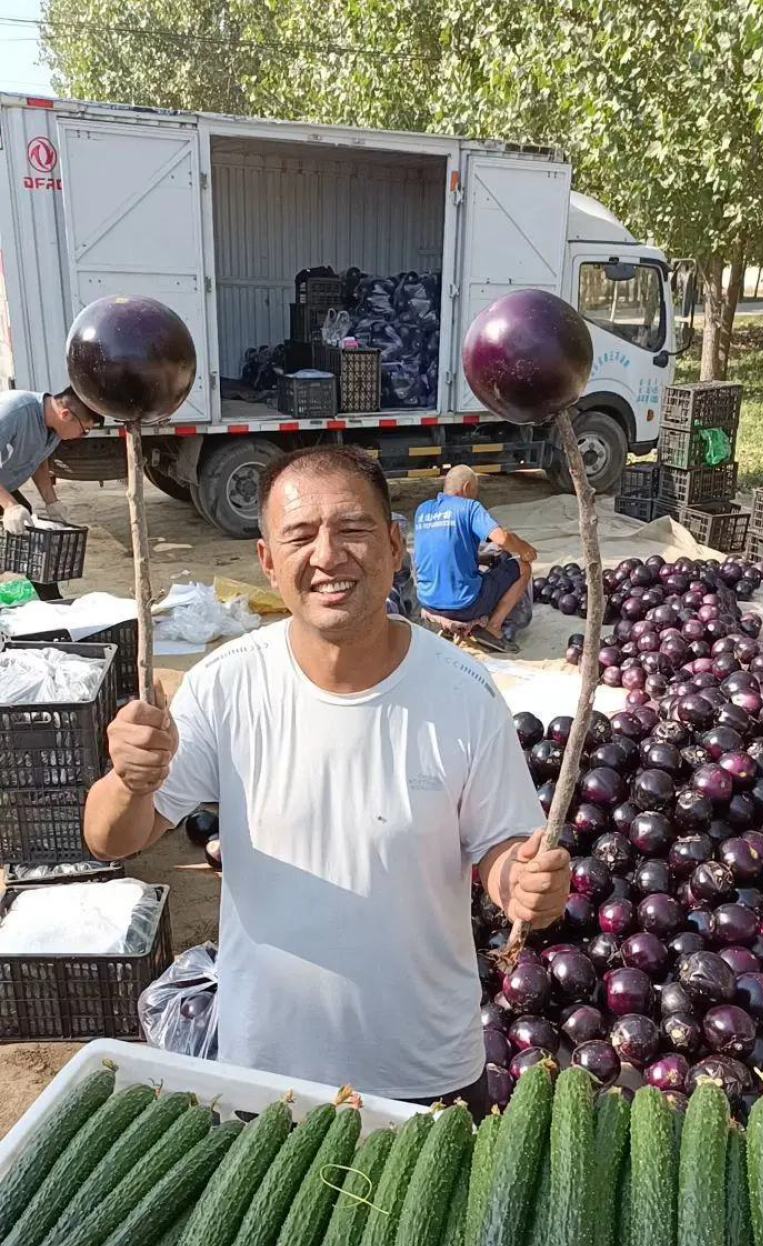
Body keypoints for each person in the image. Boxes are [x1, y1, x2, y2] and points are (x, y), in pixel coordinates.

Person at [84, 445, 569, 1116]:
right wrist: (129, 781)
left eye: (354, 529)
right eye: (301, 536)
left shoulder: (462, 689)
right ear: (267, 563)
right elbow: (113, 838)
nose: (328, 554)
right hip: (268, 1075)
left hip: (426, 1073)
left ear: (395, 545)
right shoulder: (227, 685)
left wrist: (524, 884)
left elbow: (500, 849)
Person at [413, 464, 537, 653]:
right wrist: (525, 548)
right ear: (467, 488)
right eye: (475, 491)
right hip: (465, 605)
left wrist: (481, 558)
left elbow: (445, 553)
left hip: (428, 602)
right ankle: (493, 628)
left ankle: (445, 624)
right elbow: (502, 538)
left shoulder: (423, 510)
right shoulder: (469, 507)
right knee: (523, 568)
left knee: (484, 564)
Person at [0, 386, 101, 599]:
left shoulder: (53, 426)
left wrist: (51, 501)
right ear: (66, 415)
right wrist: (9, 505)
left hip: (5, 485)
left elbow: (37, 460)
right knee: (16, 523)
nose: (83, 436)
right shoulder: (12, 411)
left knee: (28, 529)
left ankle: (53, 604)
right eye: (85, 430)